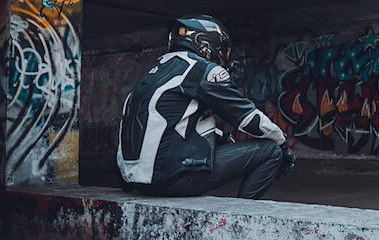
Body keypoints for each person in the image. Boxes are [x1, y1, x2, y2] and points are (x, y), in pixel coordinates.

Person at [117, 14, 295, 199]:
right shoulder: (200, 69)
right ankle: (241, 213)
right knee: (271, 151)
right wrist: (282, 142)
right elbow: (247, 118)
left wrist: (221, 137)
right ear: (206, 44)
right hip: (168, 179)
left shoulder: (155, 71)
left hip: (135, 180)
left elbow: (172, 121)